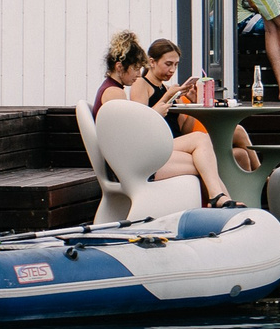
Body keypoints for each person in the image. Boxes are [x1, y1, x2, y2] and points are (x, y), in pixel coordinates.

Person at [91, 31, 255, 208]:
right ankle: (219, 201)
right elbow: (135, 133)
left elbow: (138, 130)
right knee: (203, 152)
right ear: (119, 67)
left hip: (137, 159)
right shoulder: (115, 92)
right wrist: (163, 102)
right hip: (137, 164)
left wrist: (189, 103)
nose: (138, 74)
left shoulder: (110, 89)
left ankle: (221, 200)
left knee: (206, 157)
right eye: (136, 68)